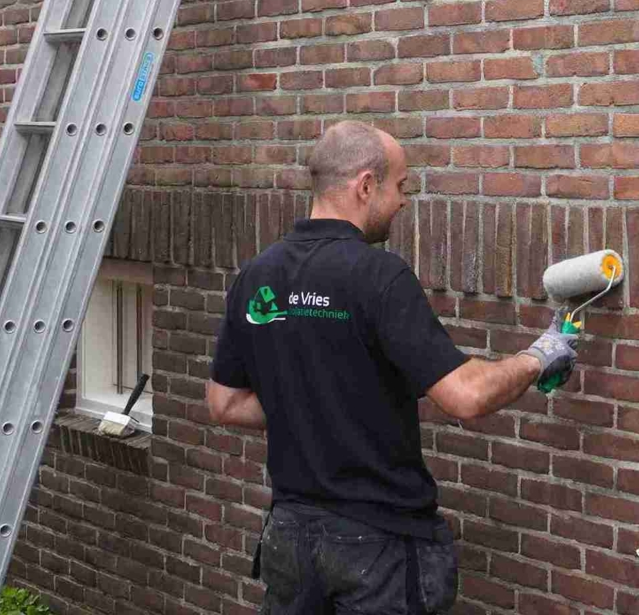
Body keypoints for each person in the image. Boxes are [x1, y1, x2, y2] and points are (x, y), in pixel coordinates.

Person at [206, 120, 578, 614]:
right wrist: (538, 356)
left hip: (290, 540)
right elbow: (466, 395)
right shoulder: (378, 275)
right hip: (378, 546)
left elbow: (224, 402)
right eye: (400, 186)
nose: (403, 201)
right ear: (365, 185)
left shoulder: (258, 274)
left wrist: (315, 404)